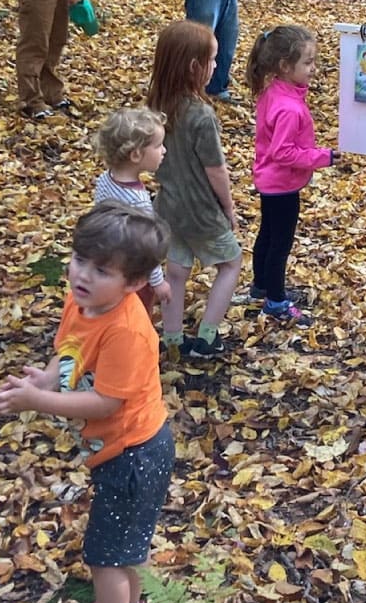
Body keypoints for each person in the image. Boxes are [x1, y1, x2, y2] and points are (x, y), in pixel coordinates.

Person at [0, 201, 174, 603]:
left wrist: (39, 401)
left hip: (135, 455)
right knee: (126, 543)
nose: (83, 275)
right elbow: (70, 349)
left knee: (106, 557)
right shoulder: (82, 301)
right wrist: (49, 379)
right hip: (119, 449)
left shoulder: (127, 331)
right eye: (80, 260)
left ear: (134, 282)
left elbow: (106, 402)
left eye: (102, 270)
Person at [146, 21, 242, 358]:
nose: (215, 66)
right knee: (231, 262)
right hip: (201, 211)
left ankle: (173, 340)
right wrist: (228, 208)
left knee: (177, 271)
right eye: (212, 60)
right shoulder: (201, 115)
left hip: (168, 208)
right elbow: (215, 169)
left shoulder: (156, 105)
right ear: (193, 67)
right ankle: (207, 336)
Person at [246, 25, 340, 327]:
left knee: (268, 234)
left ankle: (260, 286)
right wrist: (321, 157)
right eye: (308, 63)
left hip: (269, 181)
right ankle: (275, 301)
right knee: (280, 242)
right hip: (281, 185)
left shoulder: (275, 90)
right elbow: (282, 152)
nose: (314, 69)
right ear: (285, 67)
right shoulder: (287, 107)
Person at [93, 107, 173, 316]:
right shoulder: (137, 201)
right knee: (135, 314)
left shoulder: (105, 178)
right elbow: (145, 247)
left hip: (107, 262)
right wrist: (158, 282)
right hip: (134, 273)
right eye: (158, 146)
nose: (164, 150)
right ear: (136, 154)